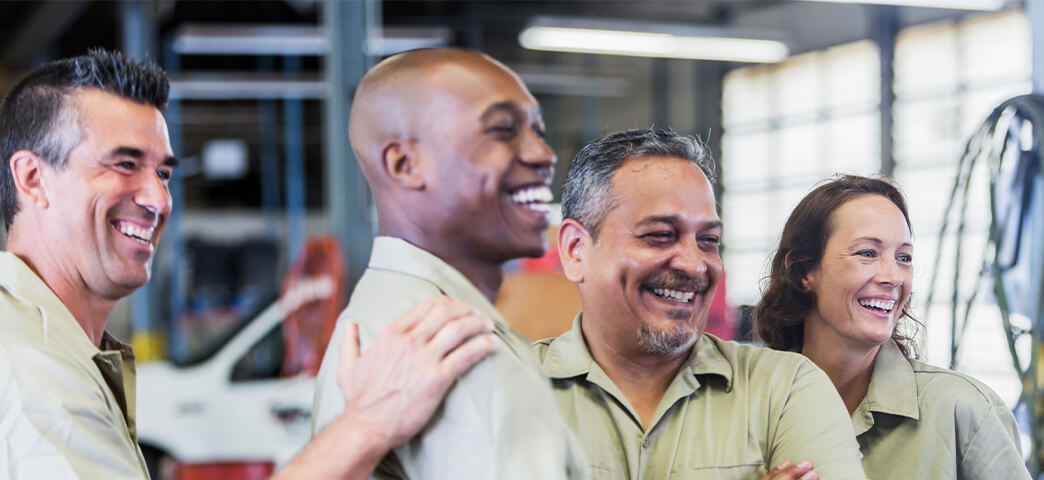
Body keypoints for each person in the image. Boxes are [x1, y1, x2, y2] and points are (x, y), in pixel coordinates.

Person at [0, 50, 495, 480]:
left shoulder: (60, 349)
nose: (158, 198)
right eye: (124, 164)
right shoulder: (31, 372)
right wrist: (368, 424)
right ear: (33, 178)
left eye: (164, 172)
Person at [310, 47, 588, 479]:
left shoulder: (387, 316)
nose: (543, 154)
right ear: (405, 165)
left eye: (537, 130)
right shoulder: (448, 344)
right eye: (503, 130)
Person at [538, 129, 868, 480]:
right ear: (576, 249)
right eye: (660, 236)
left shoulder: (785, 390)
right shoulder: (501, 389)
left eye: (708, 241)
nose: (695, 265)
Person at [753, 175, 1030, 479]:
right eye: (867, 253)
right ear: (804, 270)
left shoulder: (965, 412)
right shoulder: (746, 411)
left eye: (904, 258)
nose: (894, 277)